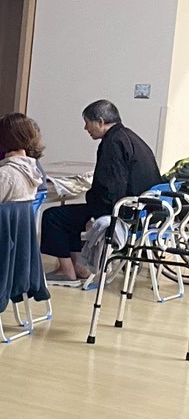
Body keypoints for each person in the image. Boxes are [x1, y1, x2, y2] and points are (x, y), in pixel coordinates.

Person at [41, 99, 160, 285]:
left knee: (53, 216)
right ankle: (78, 268)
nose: (85, 128)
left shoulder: (112, 143)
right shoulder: (132, 138)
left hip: (123, 214)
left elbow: (110, 187)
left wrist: (97, 215)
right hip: (145, 213)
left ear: (100, 122)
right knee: (71, 215)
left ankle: (66, 272)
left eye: (87, 123)